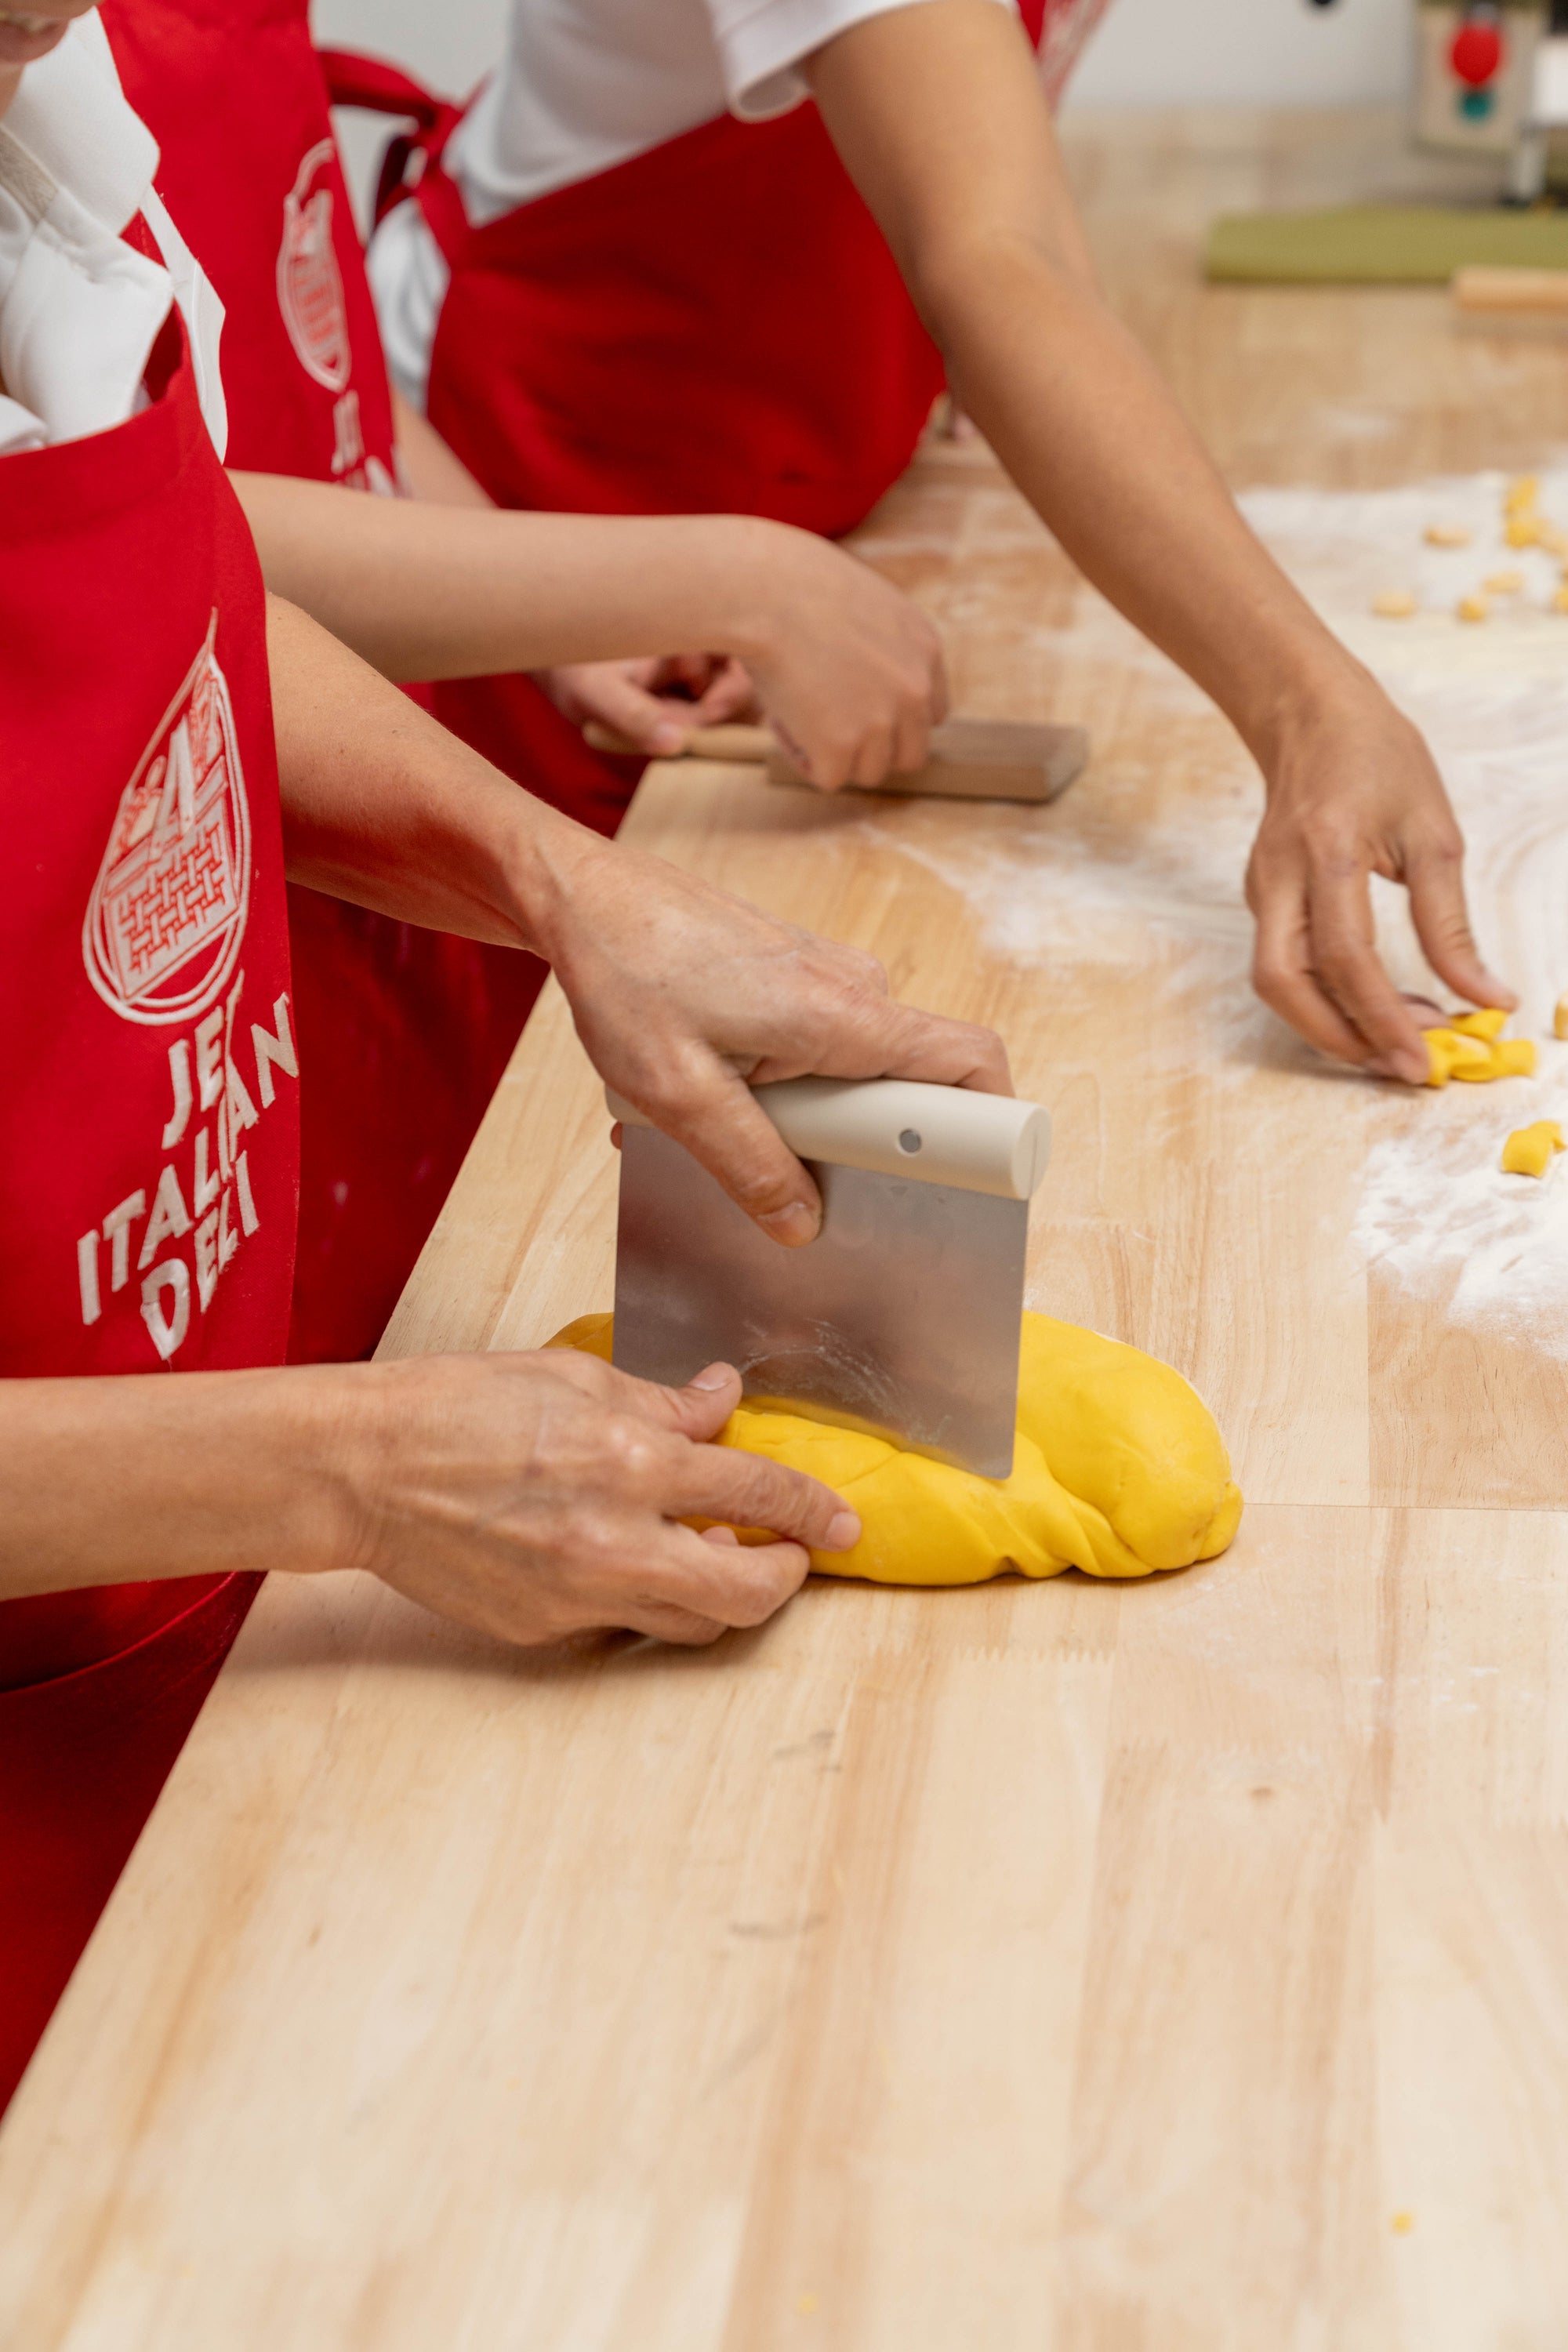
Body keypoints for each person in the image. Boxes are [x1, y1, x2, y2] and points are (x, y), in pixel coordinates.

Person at [0, 2, 1007, 2111]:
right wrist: (347, 1465)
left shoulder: (41, 139)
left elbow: (176, 572)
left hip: (194, 1615)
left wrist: (567, 890)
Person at [365, 0, 1515, 1088]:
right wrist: (1309, 707)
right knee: (521, 1079)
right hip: (513, 495)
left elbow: (984, 182)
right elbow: (1004, 261)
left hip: (754, 486)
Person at [96, 0, 947, 1369]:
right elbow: (134, 532)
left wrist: (531, 614)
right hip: (159, 851)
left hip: (341, 766)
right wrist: (735, 578)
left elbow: (323, 378)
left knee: (423, 1280)